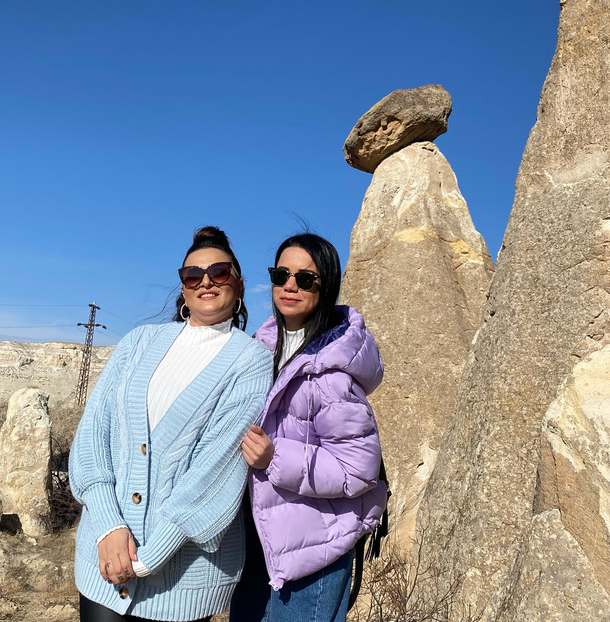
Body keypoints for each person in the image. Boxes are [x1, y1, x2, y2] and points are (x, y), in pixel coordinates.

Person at [70, 226, 273, 622]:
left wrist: (148, 558)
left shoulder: (251, 361)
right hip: (103, 559)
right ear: (183, 287)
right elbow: (94, 433)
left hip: (182, 577)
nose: (206, 282)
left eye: (219, 272)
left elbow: (217, 469)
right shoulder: (139, 342)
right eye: (193, 275)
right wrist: (109, 526)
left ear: (239, 283)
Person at [229, 233, 386, 622]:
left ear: (326, 286)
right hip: (259, 541)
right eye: (282, 274)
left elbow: (357, 470)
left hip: (312, 555)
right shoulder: (258, 351)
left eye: (306, 278)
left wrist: (274, 456)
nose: (290, 285)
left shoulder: (331, 373)